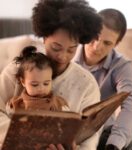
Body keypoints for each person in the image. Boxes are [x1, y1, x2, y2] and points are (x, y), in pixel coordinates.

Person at [0, 0, 103, 149]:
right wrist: (26, 137)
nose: (62, 56)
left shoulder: (86, 83)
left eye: (71, 50)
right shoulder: (17, 70)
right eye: (56, 47)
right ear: (44, 38)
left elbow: (90, 134)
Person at [73, 8, 132, 150]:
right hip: (66, 130)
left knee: (128, 139)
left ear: (117, 43)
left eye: (107, 43)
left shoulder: (121, 65)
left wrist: (114, 145)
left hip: (98, 132)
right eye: (95, 37)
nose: (96, 47)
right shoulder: (67, 52)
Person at [6, 46, 69, 114]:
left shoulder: (58, 103)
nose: (41, 89)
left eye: (46, 84)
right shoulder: (16, 104)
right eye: (35, 85)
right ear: (23, 82)